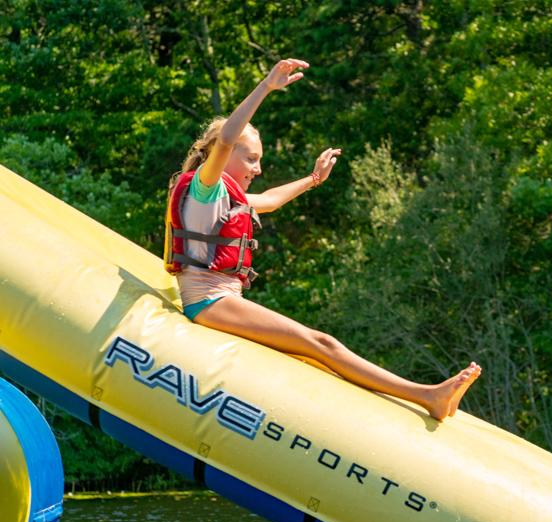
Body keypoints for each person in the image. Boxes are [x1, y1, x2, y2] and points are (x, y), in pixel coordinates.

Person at [165, 58, 481, 421]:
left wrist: (313, 180)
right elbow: (225, 138)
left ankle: (426, 394)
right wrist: (266, 86)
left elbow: (269, 200)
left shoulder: (223, 197)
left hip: (221, 299)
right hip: (210, 301)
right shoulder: (206, 188)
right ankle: (427, 396)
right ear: (226, 154)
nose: (258, 168)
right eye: (251, 158)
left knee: (316, 347)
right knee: (322, 343)